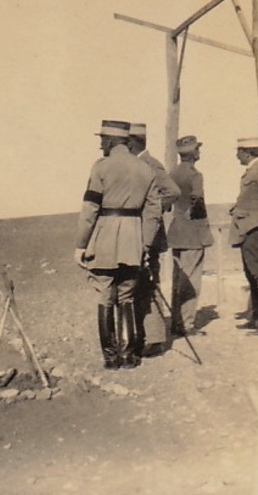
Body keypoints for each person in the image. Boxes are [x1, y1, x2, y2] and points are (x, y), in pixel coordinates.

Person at [75, 119, 162, 369]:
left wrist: (81, 244)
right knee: (127, 295)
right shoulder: (146, 169)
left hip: (104, 237)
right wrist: (145, 245)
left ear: (112, 141)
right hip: (133, 239)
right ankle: (127, 356)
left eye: (103, 139)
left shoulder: (101, 167)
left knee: (105, 294)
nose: (101, 144)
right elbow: (153, 213)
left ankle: (111, 358)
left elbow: (90, 208)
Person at [127, 122, 176, 356]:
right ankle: (144, 335)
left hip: (150, 237)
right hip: (138, 235)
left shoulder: (151, 165)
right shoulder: (137, 164)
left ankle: (156, 340)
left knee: (148, 285)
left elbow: (173, 192)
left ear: (132, 142)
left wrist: (154, 212)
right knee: (138, 287)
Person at [165, 134, 213, 338]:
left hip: (177, 231)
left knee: (179, 277)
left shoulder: (173, 173)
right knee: (192, 278)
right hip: (193, 232)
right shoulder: (195, 175)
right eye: (198, 149)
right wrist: (197, 218)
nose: (199, 152)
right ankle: (187, 324)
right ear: (193, 153)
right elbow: (197, 199)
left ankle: (177, 322)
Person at [229, 137, 258, 333]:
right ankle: (257, 316)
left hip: (255, 229)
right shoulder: (253, 170)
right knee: (251, 272)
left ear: (247, 152)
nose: (236, 155)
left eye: (238, 151)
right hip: (246, 228)